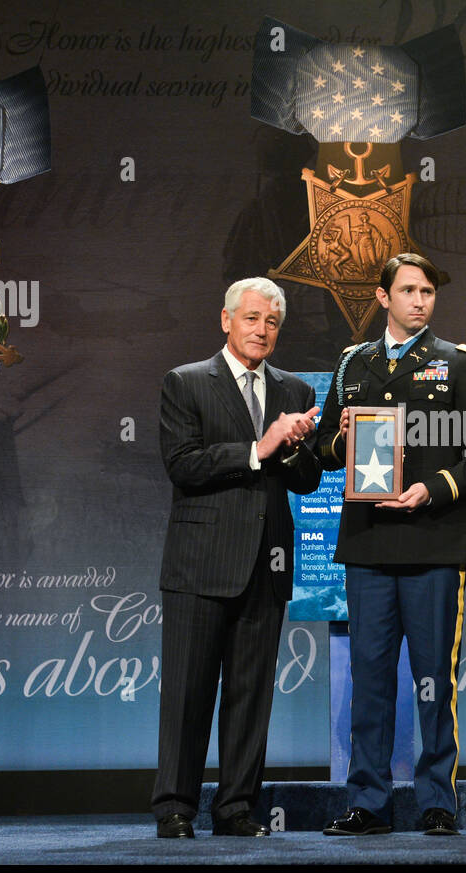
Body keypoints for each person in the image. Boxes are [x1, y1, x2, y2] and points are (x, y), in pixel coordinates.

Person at [316, 252, 466, 836]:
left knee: (432, 679)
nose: (420, 300)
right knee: (370, 679)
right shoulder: (353, 364)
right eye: (409, 291)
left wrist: (434, 488)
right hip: (369, 544)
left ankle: (437, 803)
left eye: (427, 291)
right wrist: (340, 440)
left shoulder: (457, 364)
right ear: (382, 298)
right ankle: (366, 803)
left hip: (433, 544)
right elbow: (323, 449)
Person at [151, 277, 321, 839]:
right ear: (226, 321)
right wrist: (259, 448)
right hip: (200, 564)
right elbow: (183, 464)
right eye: (251, 318)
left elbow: (306, 478)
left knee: (250, 696)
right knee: (187, 694)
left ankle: (235, 808)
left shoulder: (294, 390)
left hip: (266, 564)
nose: (262, 330)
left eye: (272, 322)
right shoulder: (186, 382)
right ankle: (175, 807)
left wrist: (300, 448)